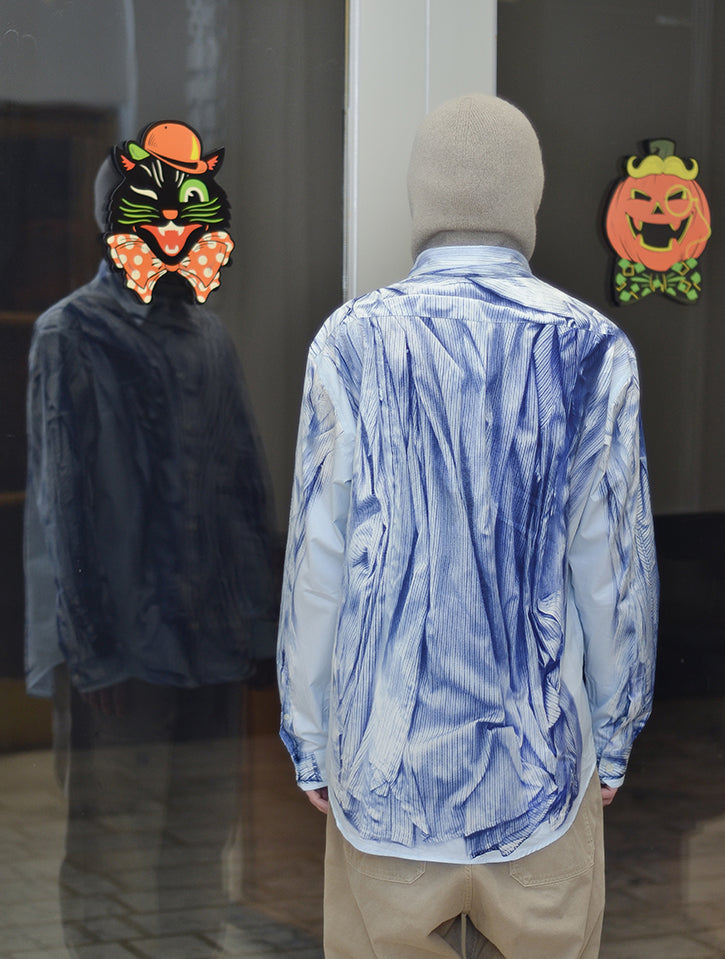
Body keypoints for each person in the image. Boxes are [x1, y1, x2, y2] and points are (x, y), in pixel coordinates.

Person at [276, 94, 658, 959]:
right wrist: (612, 734)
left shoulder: (350, 342)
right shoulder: (590, 348)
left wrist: (311, 738)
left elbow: (317, 566)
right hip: (541, 774)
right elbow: (611, 572)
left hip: (383, 775)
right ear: (528, 199)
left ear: (421, 199)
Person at [24, 122, 276, 954]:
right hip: (121, 655)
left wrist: (258, 629)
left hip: (210, 644)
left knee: (201, 841)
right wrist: (94, 651)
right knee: (113, 850)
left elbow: (242, 485)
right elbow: (66, 504)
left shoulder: (208, 335)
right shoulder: (71, 333)